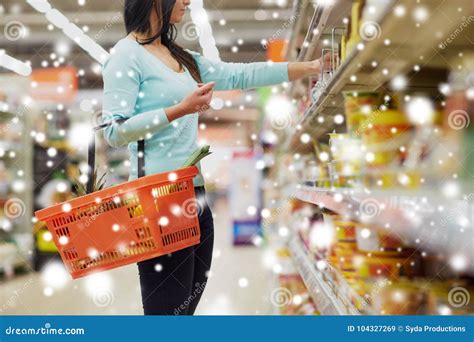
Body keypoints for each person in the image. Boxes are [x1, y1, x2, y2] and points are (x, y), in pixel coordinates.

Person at [102, 0, 331, 315]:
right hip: (157, 199)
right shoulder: (125, 55)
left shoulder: (178, 56)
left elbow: (240, 75)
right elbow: (114, 131)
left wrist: (312, 67)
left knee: (185, 308)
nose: (186, 2)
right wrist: (179, 109)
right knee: (166, 312)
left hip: (194, 195)